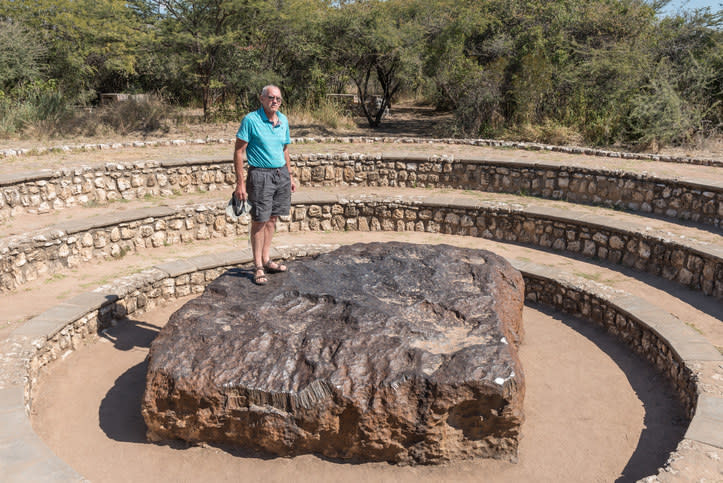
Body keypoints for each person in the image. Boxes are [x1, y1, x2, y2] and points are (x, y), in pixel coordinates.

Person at [233, 85, 296, 285]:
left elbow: (284, 149)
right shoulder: (251, 120)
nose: (275, 101)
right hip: (260, 175)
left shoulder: (283, 120)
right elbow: (238, 152)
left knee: (272, 218)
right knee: (259, 220)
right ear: (261, 98)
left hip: (281, 175)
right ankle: (258, 265)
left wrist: (290, 175)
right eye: (271, 97)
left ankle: (267, 259)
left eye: (278, 98)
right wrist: (240, 183)